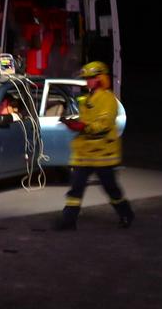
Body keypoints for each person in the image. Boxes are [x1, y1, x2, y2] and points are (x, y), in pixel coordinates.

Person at [53, 61, 135, 231]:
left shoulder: (108, 100)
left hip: (103, 156)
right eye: (86, 78)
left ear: (100, 78)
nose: (87, 81)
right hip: (85, 155)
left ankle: (126, 214)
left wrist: (81, 126)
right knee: (75, 190)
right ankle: (68, 221)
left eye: (91, 78)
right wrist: (72, 122)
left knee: (111, 189)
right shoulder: (87, 98)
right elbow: (86, 121)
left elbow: (102, 125)